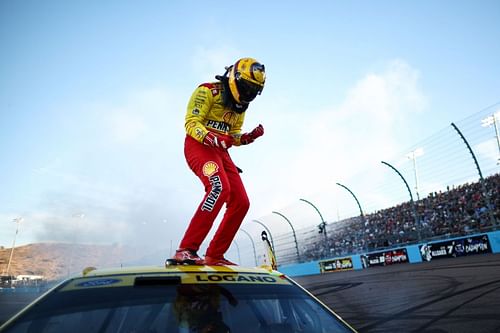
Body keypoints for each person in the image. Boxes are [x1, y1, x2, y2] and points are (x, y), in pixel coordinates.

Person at [172, 57, 266, 266]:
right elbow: (191, 123)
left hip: (220, 152)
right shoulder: (206, 91)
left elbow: (232, 136)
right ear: (235, 78)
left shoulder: (241, 107)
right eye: (247, 86)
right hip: (199, 145)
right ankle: (186, 249)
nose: (248, 93)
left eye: (254, 89)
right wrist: (213, 138)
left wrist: (248, 137)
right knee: (219, 187)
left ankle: (215, 255)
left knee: (241, 202)